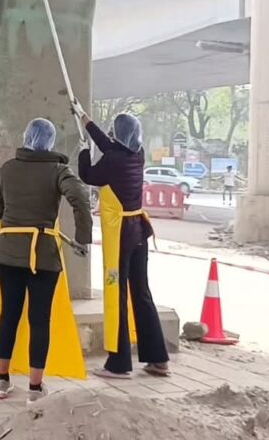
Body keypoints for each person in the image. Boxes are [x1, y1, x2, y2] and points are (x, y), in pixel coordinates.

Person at [0, 118, 92, 404]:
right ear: (50, 142)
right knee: (39, 320)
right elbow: (81, 200)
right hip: (43, 256)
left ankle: (1, 381)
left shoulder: (6, 169)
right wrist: (82, 239)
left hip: (8, 253)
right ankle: (35, 389)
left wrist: (10, 213)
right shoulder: (59, 171)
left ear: (25, 137)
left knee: (9, 316)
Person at [73, 104, 171, 379]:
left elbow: (88, 175)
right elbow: (111, 145)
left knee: (116, 294)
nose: (111, 135)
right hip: (139, 231)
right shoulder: (136, 155)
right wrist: (86, 120)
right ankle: (158, 359)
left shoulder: (113, 161)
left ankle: (118, 363)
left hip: (120, 237)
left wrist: (83, 150)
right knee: (142, 292)